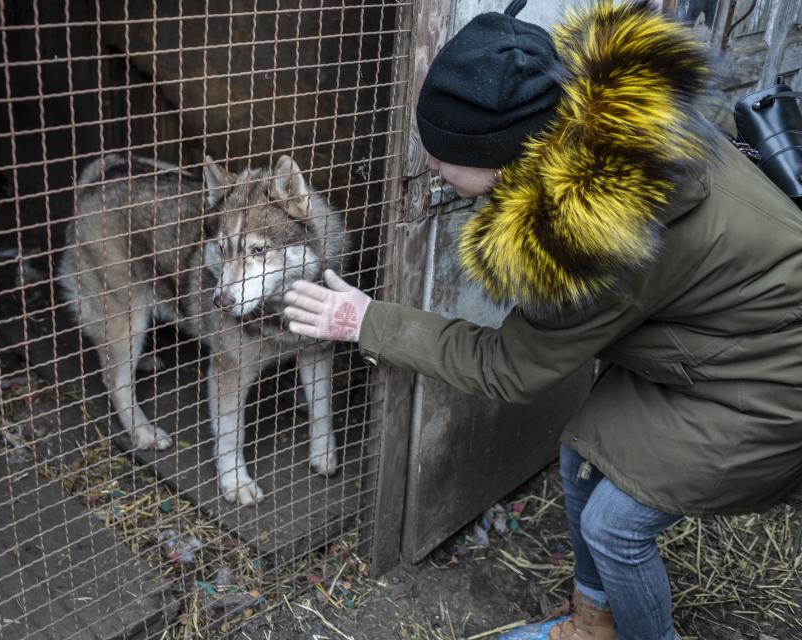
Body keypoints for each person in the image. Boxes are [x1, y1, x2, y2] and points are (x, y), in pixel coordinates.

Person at [282, 1, 802, 639]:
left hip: (775, 378)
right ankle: (595, 623)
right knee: (583, 459)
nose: (432, 169)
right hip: (724, 341)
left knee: (615, 525)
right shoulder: (612, 124)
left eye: (443, 157)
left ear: (503, 156)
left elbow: (509, 368)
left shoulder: (596, 234)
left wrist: (366, 320)